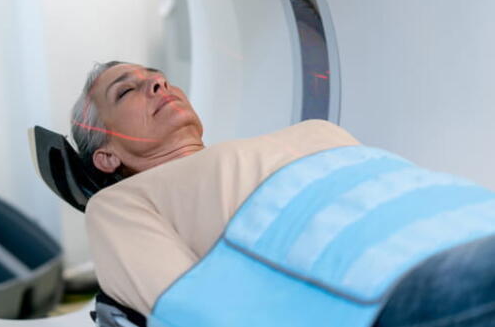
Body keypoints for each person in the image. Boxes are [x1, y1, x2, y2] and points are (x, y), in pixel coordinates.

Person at [72, 61, 495, 326]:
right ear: (106, 157)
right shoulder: (118, 203)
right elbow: (191, 310)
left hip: (467, 217)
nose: (159, 85)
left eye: (159, 78)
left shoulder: (315, 129)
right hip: (392, 280)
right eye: (127, 90)